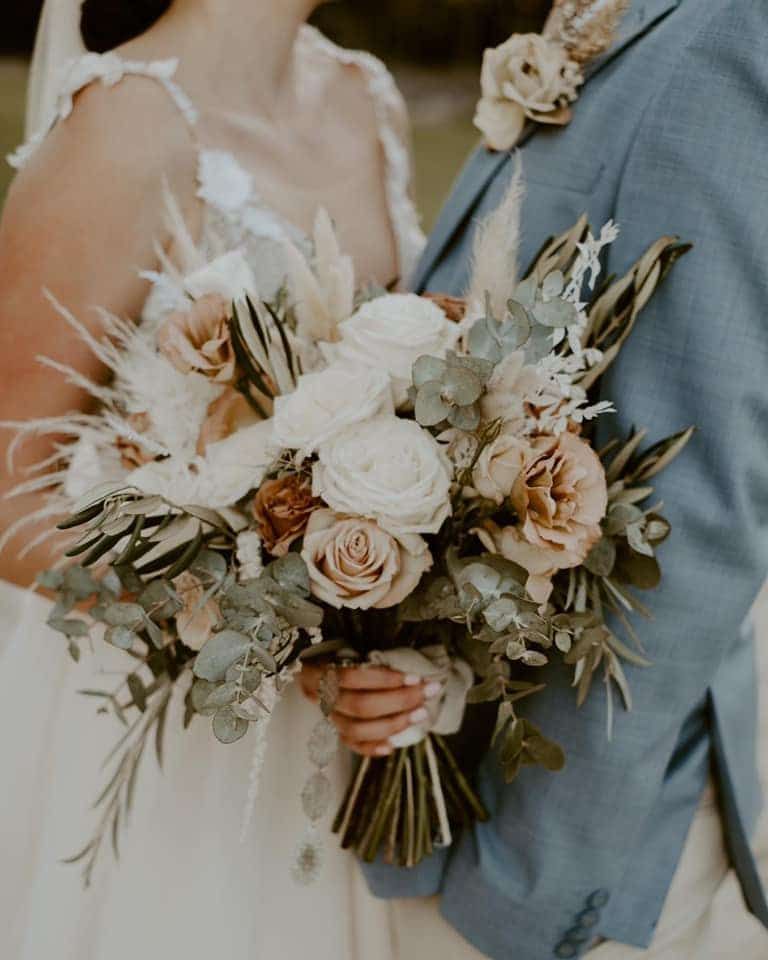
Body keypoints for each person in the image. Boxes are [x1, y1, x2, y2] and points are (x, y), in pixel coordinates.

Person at [308, 1, 768, 957]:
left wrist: (531, 890)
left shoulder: (733, 32)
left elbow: (697, 505)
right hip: (435, 775)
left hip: (542, 839)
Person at [0, 2, 428, 958]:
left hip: (344, 748)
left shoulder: (367, 95)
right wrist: (253, 625)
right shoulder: (122, 128)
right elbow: (5, 490)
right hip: (174, 737)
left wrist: (405, 607)